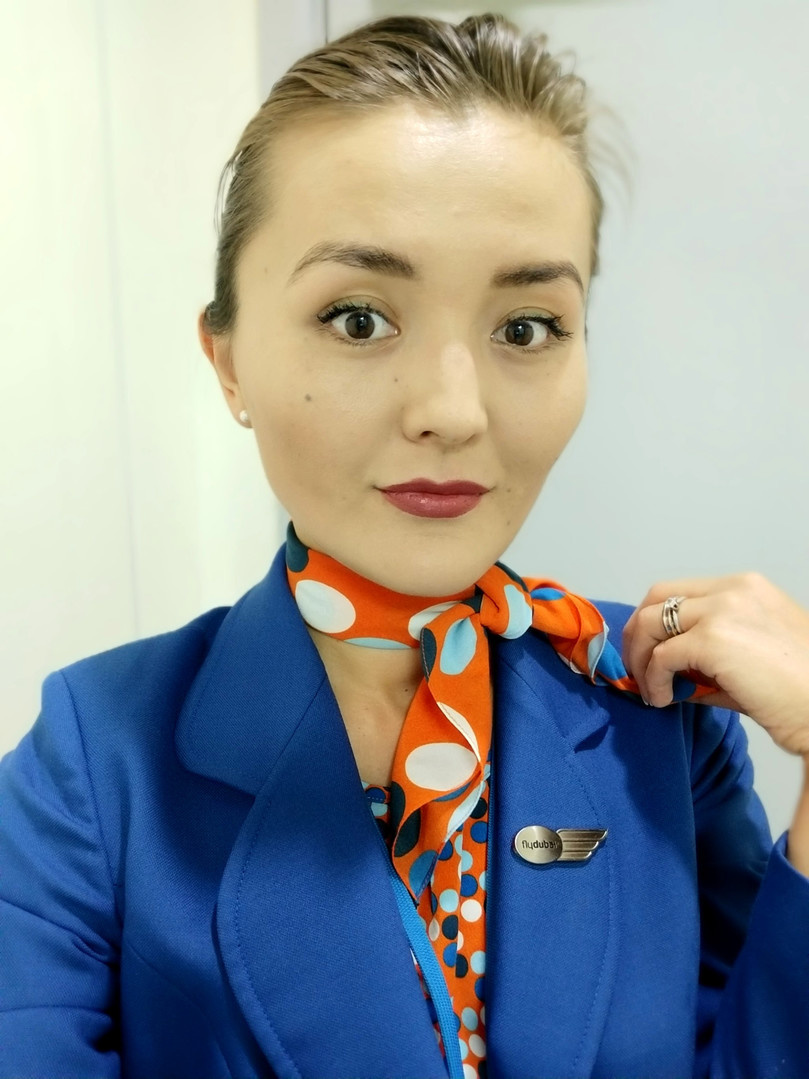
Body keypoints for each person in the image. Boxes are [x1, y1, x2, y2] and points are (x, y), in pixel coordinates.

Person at [1, 12, 808, 1079]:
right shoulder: (95, 763)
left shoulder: (656, 709)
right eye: (356, 318)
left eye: (524, 327)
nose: (451, 411)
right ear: (228, 359)